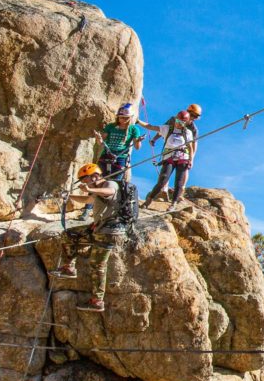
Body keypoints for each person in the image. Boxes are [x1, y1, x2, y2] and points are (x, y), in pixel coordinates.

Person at [53, 162, 129, 312]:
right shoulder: (96, 190)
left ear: (94, 176)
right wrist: (69, 196)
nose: (84, 183)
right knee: (69, 235)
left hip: (109, 232)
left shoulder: (110, 183)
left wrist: (89, 188)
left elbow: (110, 192)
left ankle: (97, 301)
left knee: (97, 265)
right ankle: (68, 267)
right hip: (100, 229)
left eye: (85, 180)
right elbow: (87, 200)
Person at [144, 103, 202, 209]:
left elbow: (193, 144)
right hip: (170, 149)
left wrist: (191, 158)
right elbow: (162, 130)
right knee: (164, 176)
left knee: (181, 176)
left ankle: (179, 193)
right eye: (192, 115)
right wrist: (154, 139)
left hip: (183, 153)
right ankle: (163, 191)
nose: (193, 119)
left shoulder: (193, 128)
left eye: (195, 117)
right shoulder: (174, 119)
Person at [93, 102, 145, 191]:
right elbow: (101, 142)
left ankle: (111, 203)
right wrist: (99, 138)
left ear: (130, 117)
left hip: (121, 157)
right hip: (106, 154)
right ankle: (89, 204)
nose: (123, 120)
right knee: (97, 180)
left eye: (126, 118)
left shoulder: (133, 129)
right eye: (121, 117)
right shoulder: (110, 126)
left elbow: (137, 147)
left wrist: (139, 141)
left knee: (114, 183)